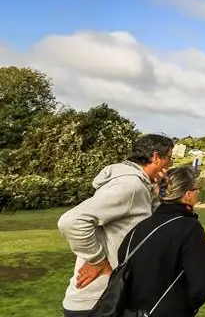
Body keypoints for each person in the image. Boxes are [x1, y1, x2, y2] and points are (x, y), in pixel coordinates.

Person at [57, 133, 174, 317]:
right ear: (155, 157)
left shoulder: (140, 185)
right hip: (97, 303)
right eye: (169, 158)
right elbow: (71, 221)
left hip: (111, 299)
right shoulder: (130, 185)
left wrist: (157, 191)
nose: (171, 164)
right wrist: (97, 260)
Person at [115, 166, 205, 316]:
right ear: (187, 195)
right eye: (197, 189)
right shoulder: (189, 227)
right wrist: (184, 306)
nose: (198, 193)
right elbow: (201, 285)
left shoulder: (141, 226)